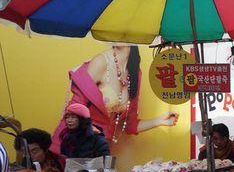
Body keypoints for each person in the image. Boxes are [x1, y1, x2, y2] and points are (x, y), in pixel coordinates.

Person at [51, 46, 179, 152]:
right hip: (77, 147)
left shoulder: (135, 73)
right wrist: (57, 150)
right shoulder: (101, 61)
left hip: (101, 148)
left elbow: (130, 125)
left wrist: (160, 121)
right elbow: (73, 110)